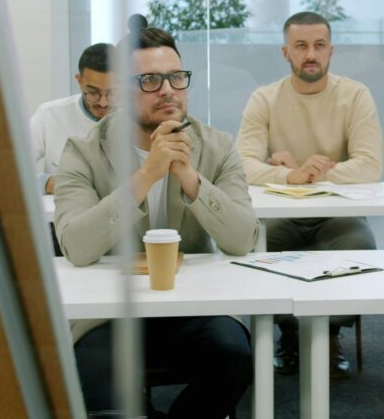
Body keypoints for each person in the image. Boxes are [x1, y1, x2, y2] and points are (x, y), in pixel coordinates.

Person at [54, 26, 259, 418]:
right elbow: (75, 247)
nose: (167, 90)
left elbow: (243, 239)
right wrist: (146, 174)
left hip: (193, 306)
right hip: (109, 313)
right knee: (102, 388)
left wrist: (189, 177)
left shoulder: (216, 145)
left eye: (176, 78)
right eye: (149, 80)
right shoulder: (82, 152)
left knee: (235, 356)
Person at [237, 11, 383, 379]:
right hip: (281, 217)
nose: (311, 54)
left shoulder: (355, 95)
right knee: (254, 258)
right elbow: (242, 164)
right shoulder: (264, 99)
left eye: (319, 45)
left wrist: (307, 174)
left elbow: (371, 166)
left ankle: (329, 334)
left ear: (331, 50)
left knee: (359, 253)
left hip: (338, 216)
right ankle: (290, 332)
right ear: (285, 52)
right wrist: (289, 175)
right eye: (301, 46)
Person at [30, 43, 115, 195]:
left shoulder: (138, 118)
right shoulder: (49, 115)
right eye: (93, 92)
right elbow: (11, 169)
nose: (103, 102)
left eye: (112, 92)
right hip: (62, 214)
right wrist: (46, 182)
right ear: (79, 80)